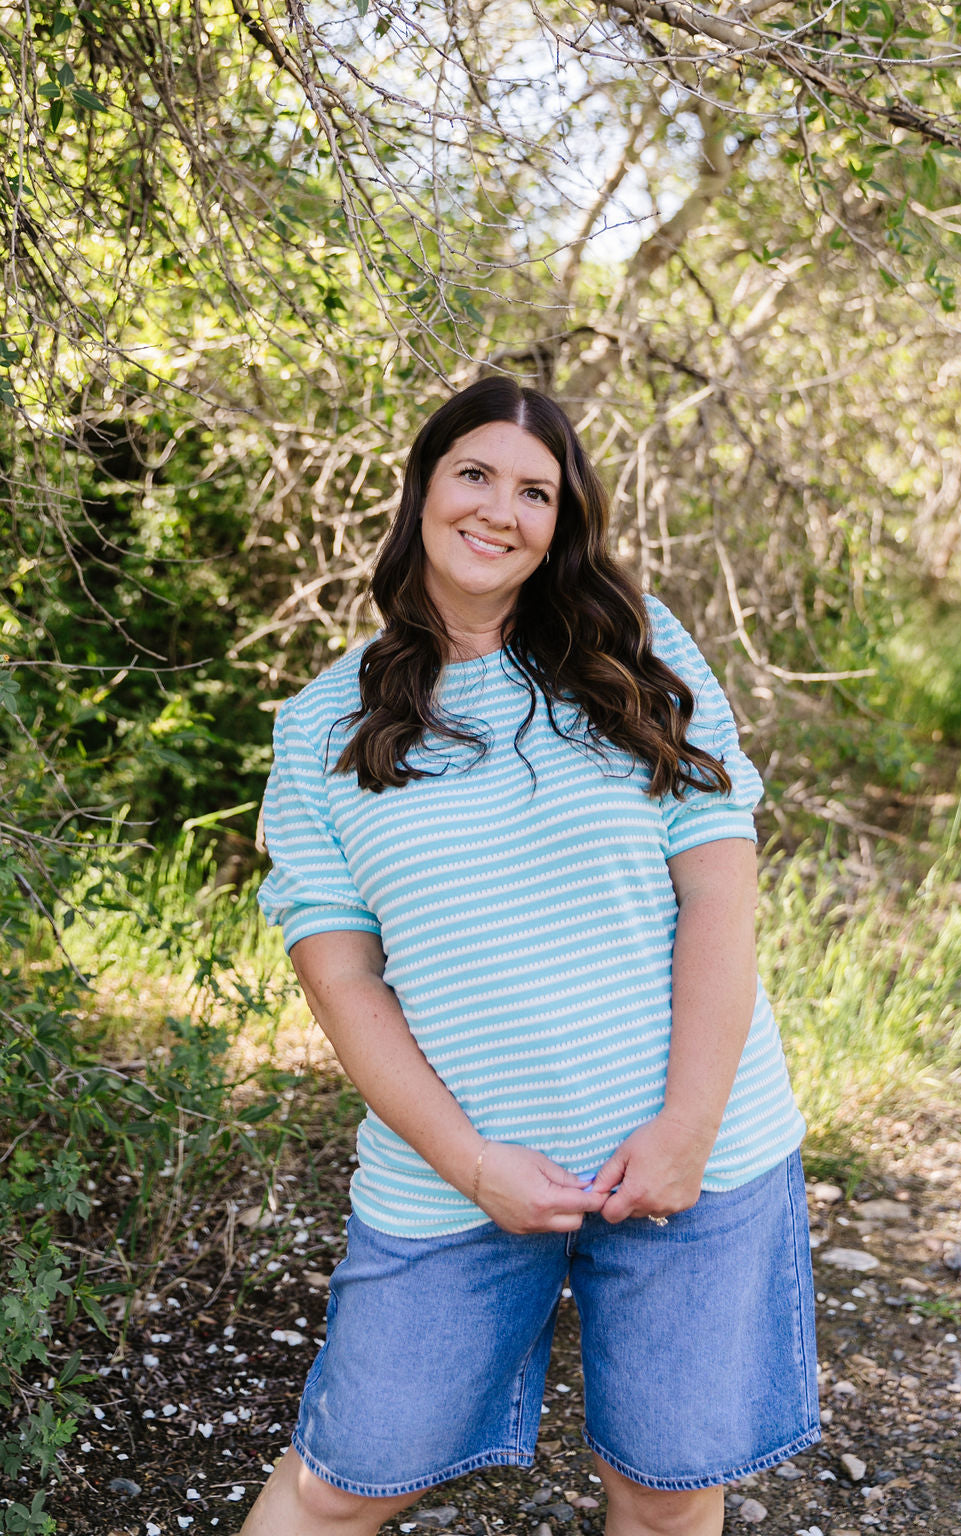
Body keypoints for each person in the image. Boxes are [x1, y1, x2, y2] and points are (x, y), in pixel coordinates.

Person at [241, 377, 820, 1536]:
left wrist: (686, 1131)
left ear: (563, 521)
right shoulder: (319, 727)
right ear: (422, 489)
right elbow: (343, 982)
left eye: (535, 490)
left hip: (692, 1158)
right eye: (474, 474)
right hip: (450, 1176)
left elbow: (718, 887)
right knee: (338, 1491)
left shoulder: (639, 658)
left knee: (665, 1502)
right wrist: (470, 1165)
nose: (499, 510)